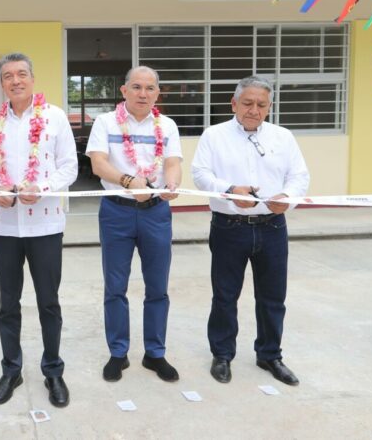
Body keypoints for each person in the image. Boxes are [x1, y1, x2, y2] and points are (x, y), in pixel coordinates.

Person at [0, 53, 77, 407]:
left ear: (32, 78)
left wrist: (42, 188)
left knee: (49, 302)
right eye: (7, 76)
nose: (15, 81)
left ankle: (53, 370)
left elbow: (70, 167)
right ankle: (11, 369)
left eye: (21, 74)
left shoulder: (55, 117)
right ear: (1, 83)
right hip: (5, 228)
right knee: (8, 303)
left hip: (45, 223)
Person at [191, 76, 309, 387]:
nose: (254, 110)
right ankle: (222, 354)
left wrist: (287, 198)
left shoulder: (283, 137)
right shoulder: (214, 136)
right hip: (229, 227)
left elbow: (299, 176)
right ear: (234, 104)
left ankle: (270, 355)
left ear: (269, 107)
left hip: (272, 227)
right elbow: (200, 174)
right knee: (225, 295)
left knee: (272, 297)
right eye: (247, 103)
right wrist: (229, 190)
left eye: (261, 105)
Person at [86, 65, 183, 384]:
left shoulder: (166, 125)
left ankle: (155, 353)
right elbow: (99, 164)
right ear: (124, 91)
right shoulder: (105, 121)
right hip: (117, 211)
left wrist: (171, 184)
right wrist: (130, 181)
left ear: (157, 93)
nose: (143, 93)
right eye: (137, 87)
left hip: (156, 212)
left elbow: (172, 164)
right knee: (116, 286)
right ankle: (118, 353)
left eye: (150, 88)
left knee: (158, 286)